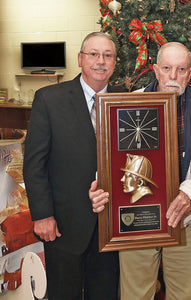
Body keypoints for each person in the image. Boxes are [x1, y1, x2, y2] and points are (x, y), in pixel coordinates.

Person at [89, 42, 191, 300]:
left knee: (183, 295)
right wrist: (101, 187)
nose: (173, 76)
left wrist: (188, 196)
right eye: (167, 68)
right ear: (155, 70)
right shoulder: (128, 104)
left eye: (181, 69)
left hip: (186, 219)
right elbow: (111, 158)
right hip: (138, 218)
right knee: (135, 294)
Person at [23, 32, 123, 300]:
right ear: (80, 59)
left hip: (112, 227)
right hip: (63, 225)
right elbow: (34, 164)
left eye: (107, 55)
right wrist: (42, 215)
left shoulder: (126, 101)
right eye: (94, 54)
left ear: (114, 62)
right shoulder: (49, 99)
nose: (100, 61)